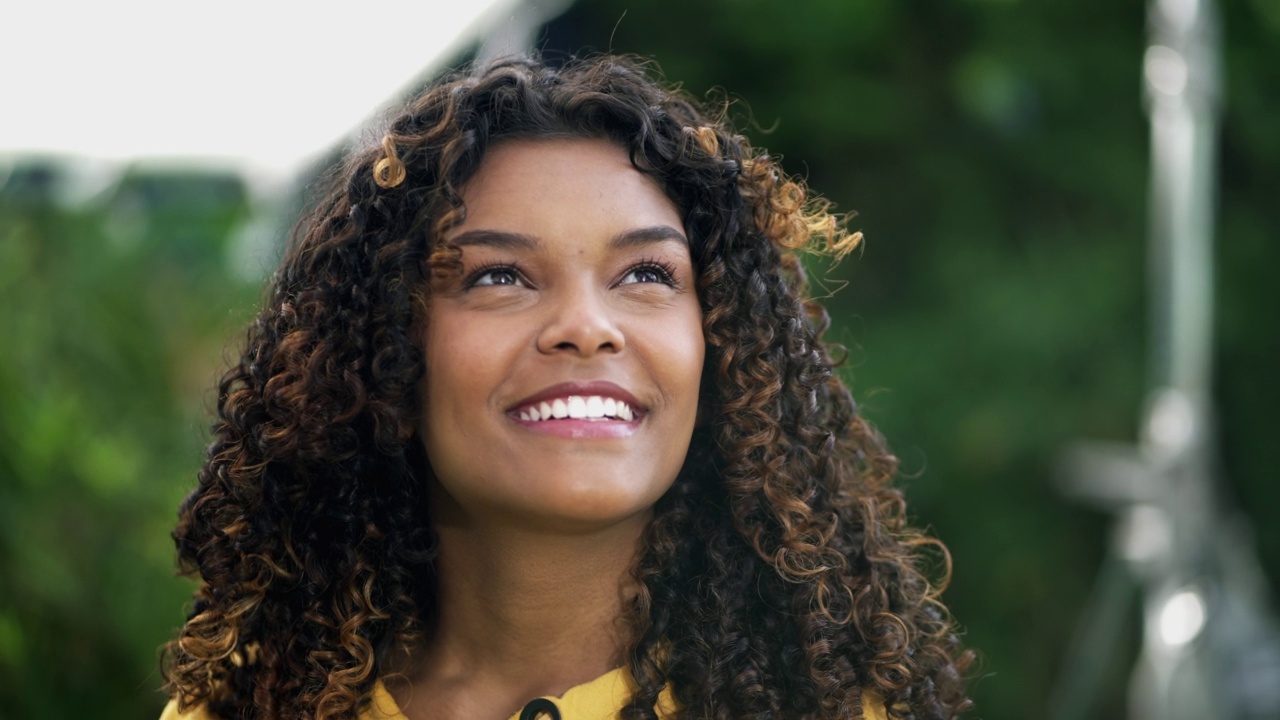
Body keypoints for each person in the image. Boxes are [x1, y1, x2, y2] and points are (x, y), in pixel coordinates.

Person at [159, 54, 973, 720]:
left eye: (647, 273)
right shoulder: (246, 706)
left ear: (720, 345)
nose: (586, 325)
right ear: (385, 352)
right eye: (501, 275)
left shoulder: (831, 710)